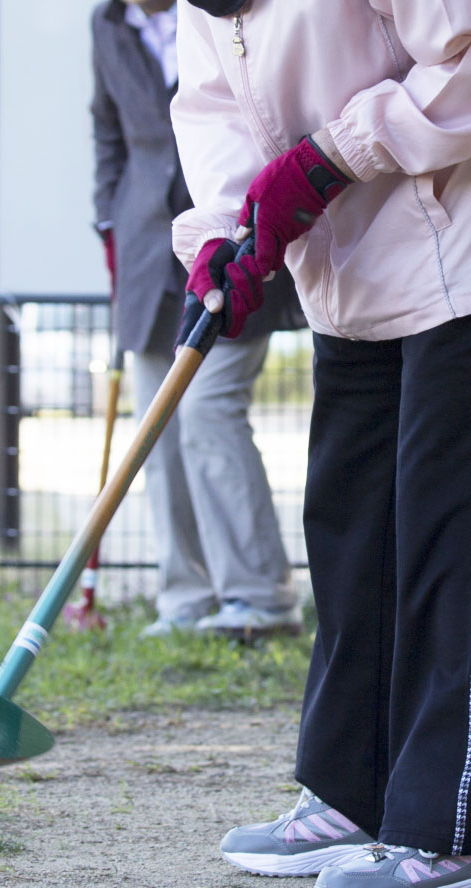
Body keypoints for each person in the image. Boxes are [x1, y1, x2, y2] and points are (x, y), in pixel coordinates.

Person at [171, 0, 471, 888]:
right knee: (351, 520)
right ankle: (353, 791)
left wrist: (324, 160)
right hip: (354, 256)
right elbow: (214, 107)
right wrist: (221, 234)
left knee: (457, 528)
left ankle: (463, 832)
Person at [90, 0, 301, 637]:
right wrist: (108, 219)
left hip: (232, 239)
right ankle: (187, 598)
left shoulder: (217, 10)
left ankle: (260, 596)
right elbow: (108, 133)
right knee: (157, 429)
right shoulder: (105, 24)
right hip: (145, 250)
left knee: (208, 408)